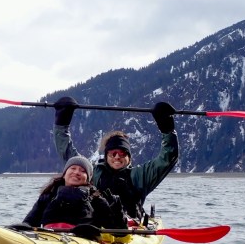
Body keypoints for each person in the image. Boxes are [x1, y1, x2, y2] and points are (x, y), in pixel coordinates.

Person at [53, 96, 179, 225]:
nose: (117, 157)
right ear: (106, 156)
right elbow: (67, 152)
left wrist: (167, 129)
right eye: (113, 153)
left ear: (129, 157)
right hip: (95, 223)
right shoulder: (93, 172)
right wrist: (62, 121)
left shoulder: (140, 175)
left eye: (122, 153)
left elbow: (168, 157)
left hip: (129, 227)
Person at [21, 155, 127, 231]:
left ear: (88, 179)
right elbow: (29, 223)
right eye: (73, 168)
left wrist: (117, 210)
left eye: (82, 171)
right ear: (64, 173)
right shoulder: (48, 196)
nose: (76, 172)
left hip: (84, 240)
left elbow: (118, 232)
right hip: (50, 237)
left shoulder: (96, 199)